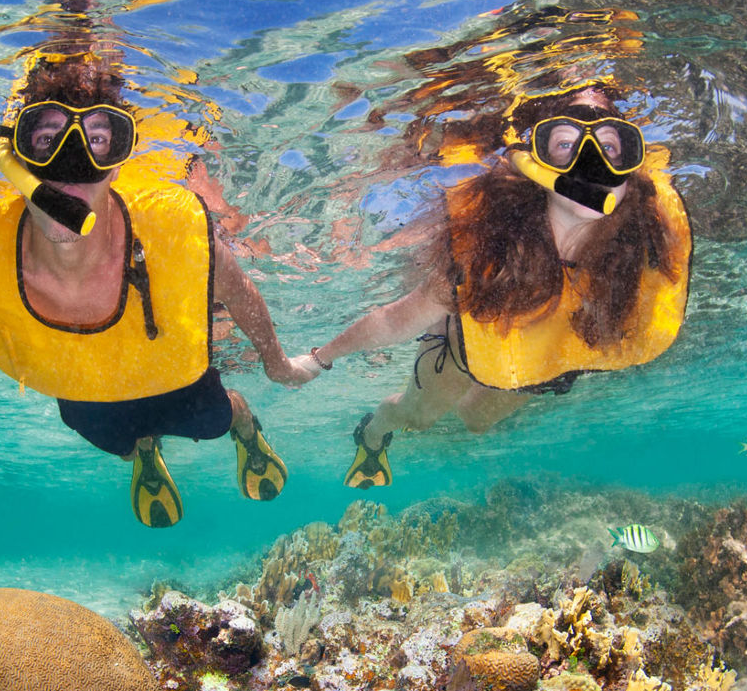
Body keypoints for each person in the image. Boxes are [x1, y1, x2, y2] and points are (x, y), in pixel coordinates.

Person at [0, 48, 315, 527]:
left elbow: (240, 292)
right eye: (47, 137)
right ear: (21, 161)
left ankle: (245, 426)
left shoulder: (177, 241)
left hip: (168, 371)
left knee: (217, 421)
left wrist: (276, 364)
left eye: (97, 139)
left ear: (117, 164)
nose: (70, 164)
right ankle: (143, 453)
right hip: (83, 387)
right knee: (119, 445)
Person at [292, 84, 691, 489]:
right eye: (566, 145)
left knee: (476, 421)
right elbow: (395, 321)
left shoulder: (642, 252)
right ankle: (374, 434)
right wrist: (319, 358)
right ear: (537, 166)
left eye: (608, 148)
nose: (590, 165)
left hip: (535, 366)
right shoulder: (493, 250)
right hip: (463, 348)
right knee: (419, 417)